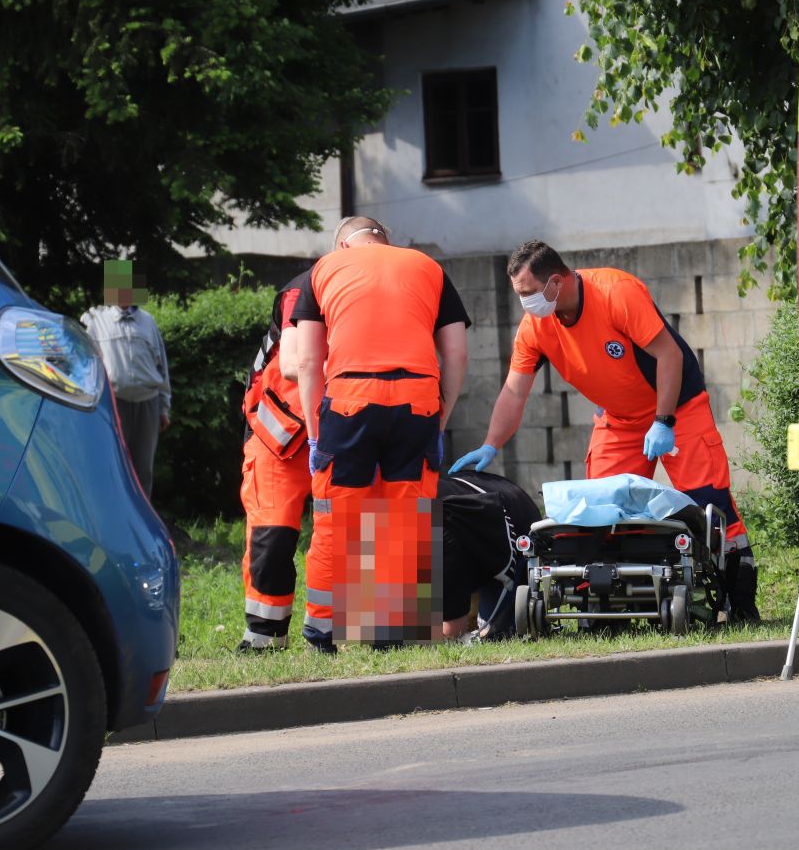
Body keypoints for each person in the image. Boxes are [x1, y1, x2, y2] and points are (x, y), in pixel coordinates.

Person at [450, 240, 760, 621]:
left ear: (557, 282)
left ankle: (740, 599)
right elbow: (515, 390)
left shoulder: (616, 293)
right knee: (599, 516)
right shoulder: (536, 326)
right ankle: (619, 604)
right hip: (618, 418)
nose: (525, 303)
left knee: (709, 502)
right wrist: (491, 445)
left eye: (529, 293)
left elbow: (670, 355)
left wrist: (663, 421)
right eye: (520, 294)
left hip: (678, 407)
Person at [286, 216, 470, 651]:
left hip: (350, 399)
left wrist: (316, 434)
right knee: (403, 518)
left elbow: (310, 363)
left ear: (344, 245)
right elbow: (457, 354)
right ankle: (389, 630)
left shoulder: (324, 269)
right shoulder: (427, 267)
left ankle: (323, 631)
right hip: (418, 400)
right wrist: (440, 419)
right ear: (387, 241)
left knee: (338, 518)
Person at [236, 270, 316, 651]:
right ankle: (264, 637)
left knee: (367, 529)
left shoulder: (390, 286)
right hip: (281, 434)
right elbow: (292, 363)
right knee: (273, 532)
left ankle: (376, 634)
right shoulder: (302, 288)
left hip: (342, 425)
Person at [82, 259, 171, 498]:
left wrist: (164, 406)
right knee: (112, 466)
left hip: (147, 404)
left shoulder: (148, 321)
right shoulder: (94, 320)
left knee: (142, 470)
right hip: (113, 403)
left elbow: (161, 366)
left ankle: (141, 528)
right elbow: (84, 364)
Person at [439, 471, 541, 641]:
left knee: (496, 634)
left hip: (511, 518)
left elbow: (452, 632)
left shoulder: (443, 539)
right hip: (472, 507)